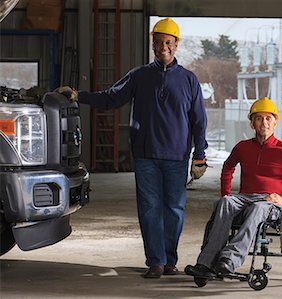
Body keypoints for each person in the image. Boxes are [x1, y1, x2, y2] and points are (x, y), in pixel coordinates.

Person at [56, 18, 208, 279]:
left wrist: (200, 154)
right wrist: (79, 95)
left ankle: (170, 259)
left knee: (174, 209)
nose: (163, 46)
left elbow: (199, 120)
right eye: (158, 42)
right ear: (153, 44)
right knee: (149, 208)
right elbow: (112, 97)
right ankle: (156, 262)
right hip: (146, 154)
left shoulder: (189, 80)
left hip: (177, 156)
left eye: (168, 42)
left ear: (176, 45)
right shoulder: (139, 76)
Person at [185, 97, 282, 278]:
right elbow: (228, 167)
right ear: (252, 123)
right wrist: (226, 193)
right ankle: (205, 263)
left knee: (258, 207)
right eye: (259, 118)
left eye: (268, 118)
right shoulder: (243, 147)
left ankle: (230, 259)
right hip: (244, 197)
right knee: (225, 203)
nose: (264, 123)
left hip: (270, 202)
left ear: (275, 122)